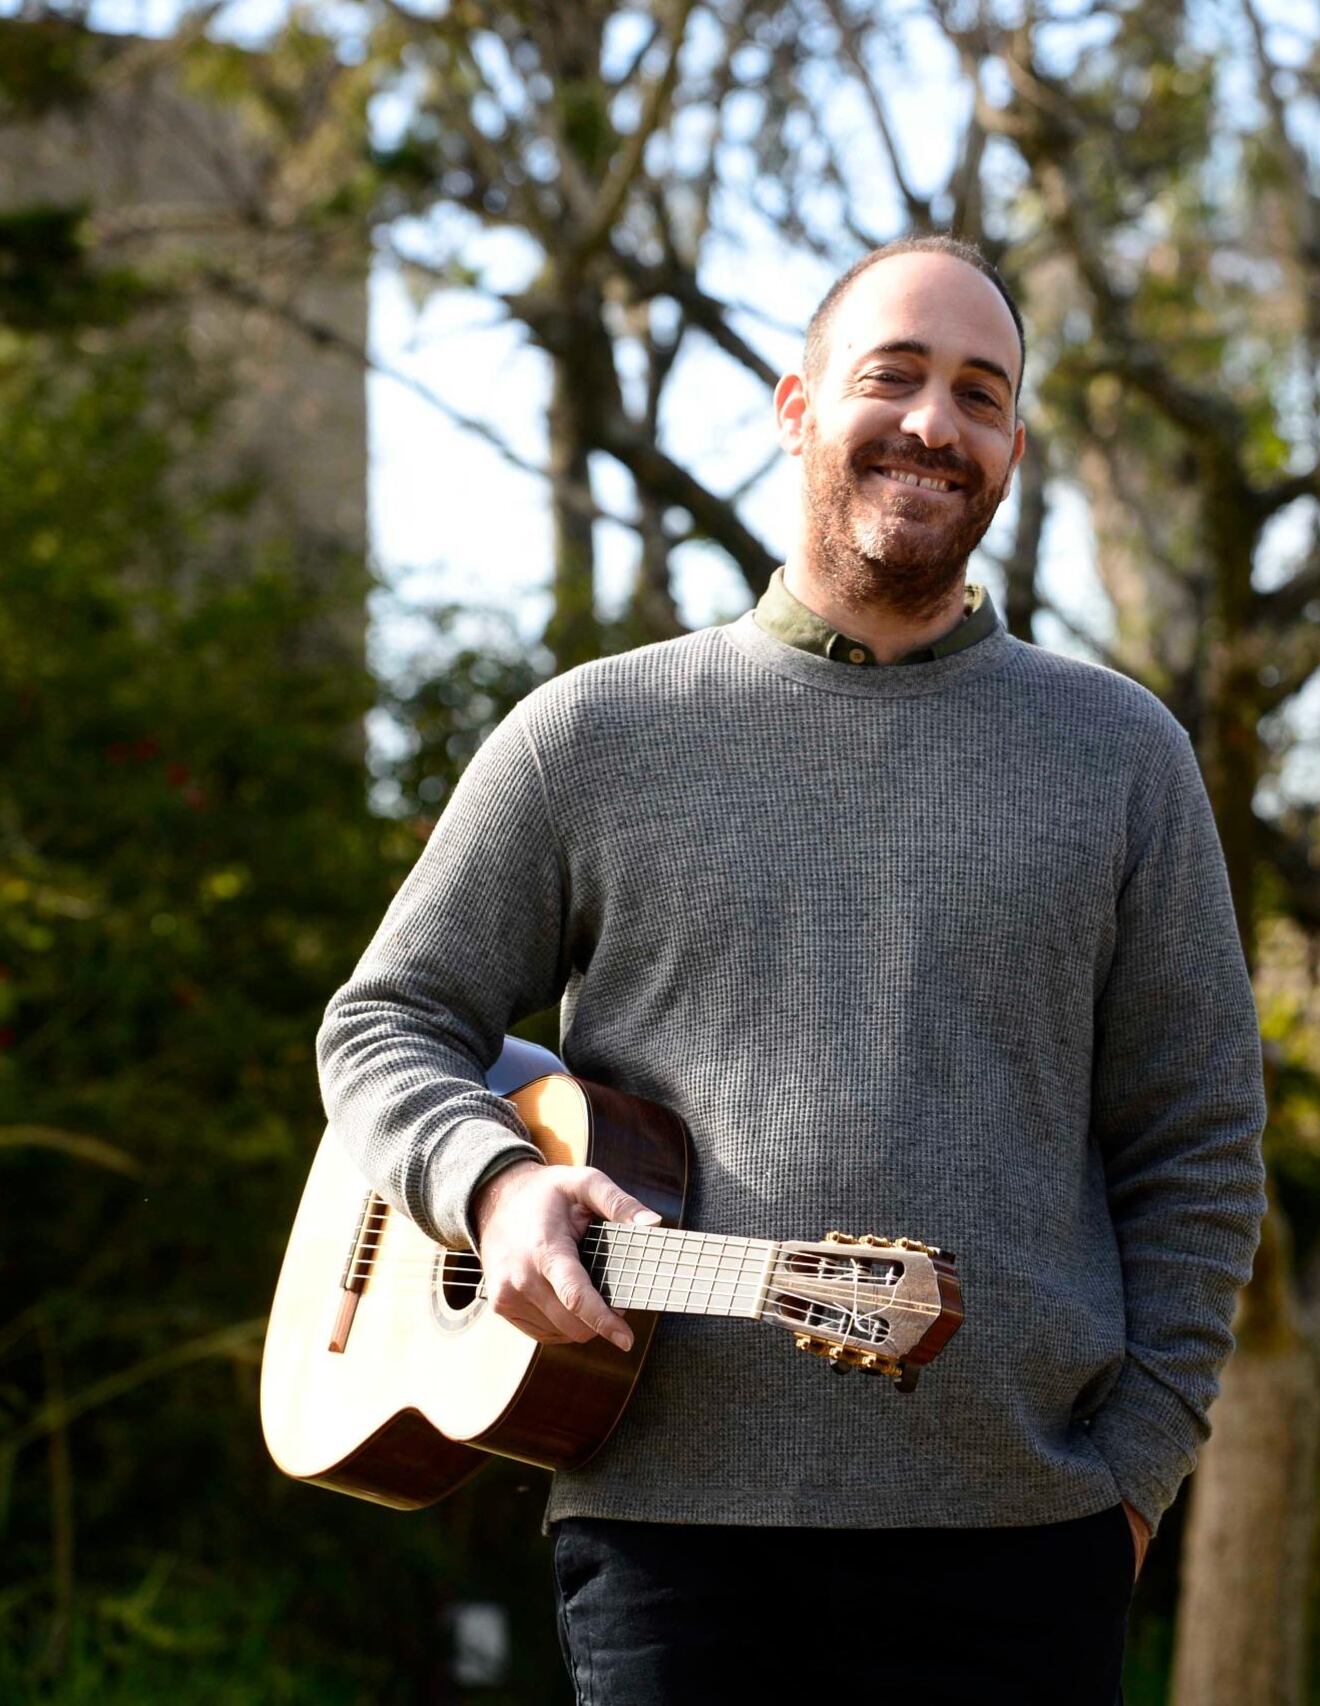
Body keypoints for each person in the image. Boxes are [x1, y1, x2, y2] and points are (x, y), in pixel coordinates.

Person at [318, 233, 1266, 1703]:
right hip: (665, 1546)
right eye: (894, 375)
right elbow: (386, 1021)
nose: (935, 424)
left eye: (982, 392)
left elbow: (1198, 1144)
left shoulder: (1123, 756)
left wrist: (1133, 1478)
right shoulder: (593, 734)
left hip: (1020, 1547)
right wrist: (489, 1181)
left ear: (1014, 444)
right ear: (797, 403)